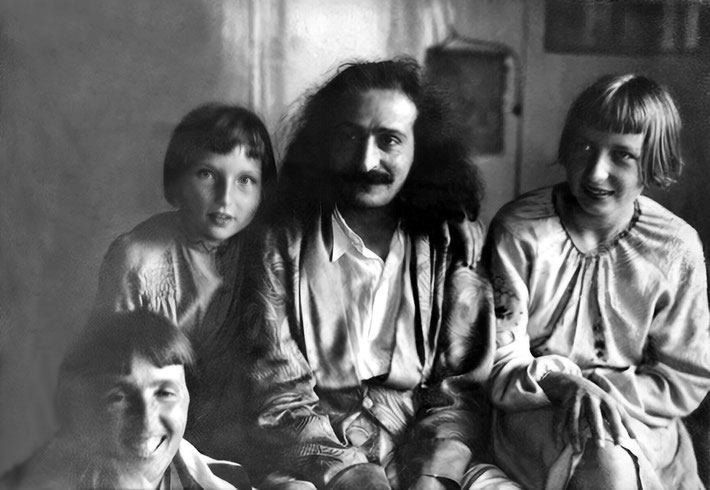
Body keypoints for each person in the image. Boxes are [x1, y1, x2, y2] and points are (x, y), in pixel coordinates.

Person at [218, 58, 499, 490]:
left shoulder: (452, 242)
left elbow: (459, 393)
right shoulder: (281, 240)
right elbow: (275, 392)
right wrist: (354, 472)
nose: (367, 161)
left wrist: (429, 476)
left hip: (425, 452)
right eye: (349, 136)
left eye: (389, 140)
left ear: (420, 148)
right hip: (311, 457)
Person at [484, 74, 710, 489]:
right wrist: (564, 383)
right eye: (584, 147)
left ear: (652, 163)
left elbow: (685, 376)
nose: (596, 172)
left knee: (610, 458)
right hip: (535, 406)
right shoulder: (520, 230)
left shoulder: (676, 247)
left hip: (639, 414)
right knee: (602, 463)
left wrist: (599, 392)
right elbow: (500, 362)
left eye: (622, 155)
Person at [0, 310, 251, 489]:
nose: (146, 419)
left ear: (187, 401)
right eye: (118, 397)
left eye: (164, 393)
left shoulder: (230, 481)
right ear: (82, 410)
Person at [93, 102, 277, 343]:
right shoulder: (135, 260)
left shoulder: (271, 257)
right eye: (207, 175)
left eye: (245, 179)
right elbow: (110, 360)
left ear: (263, 190)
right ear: (177, 180)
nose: (225, 198)